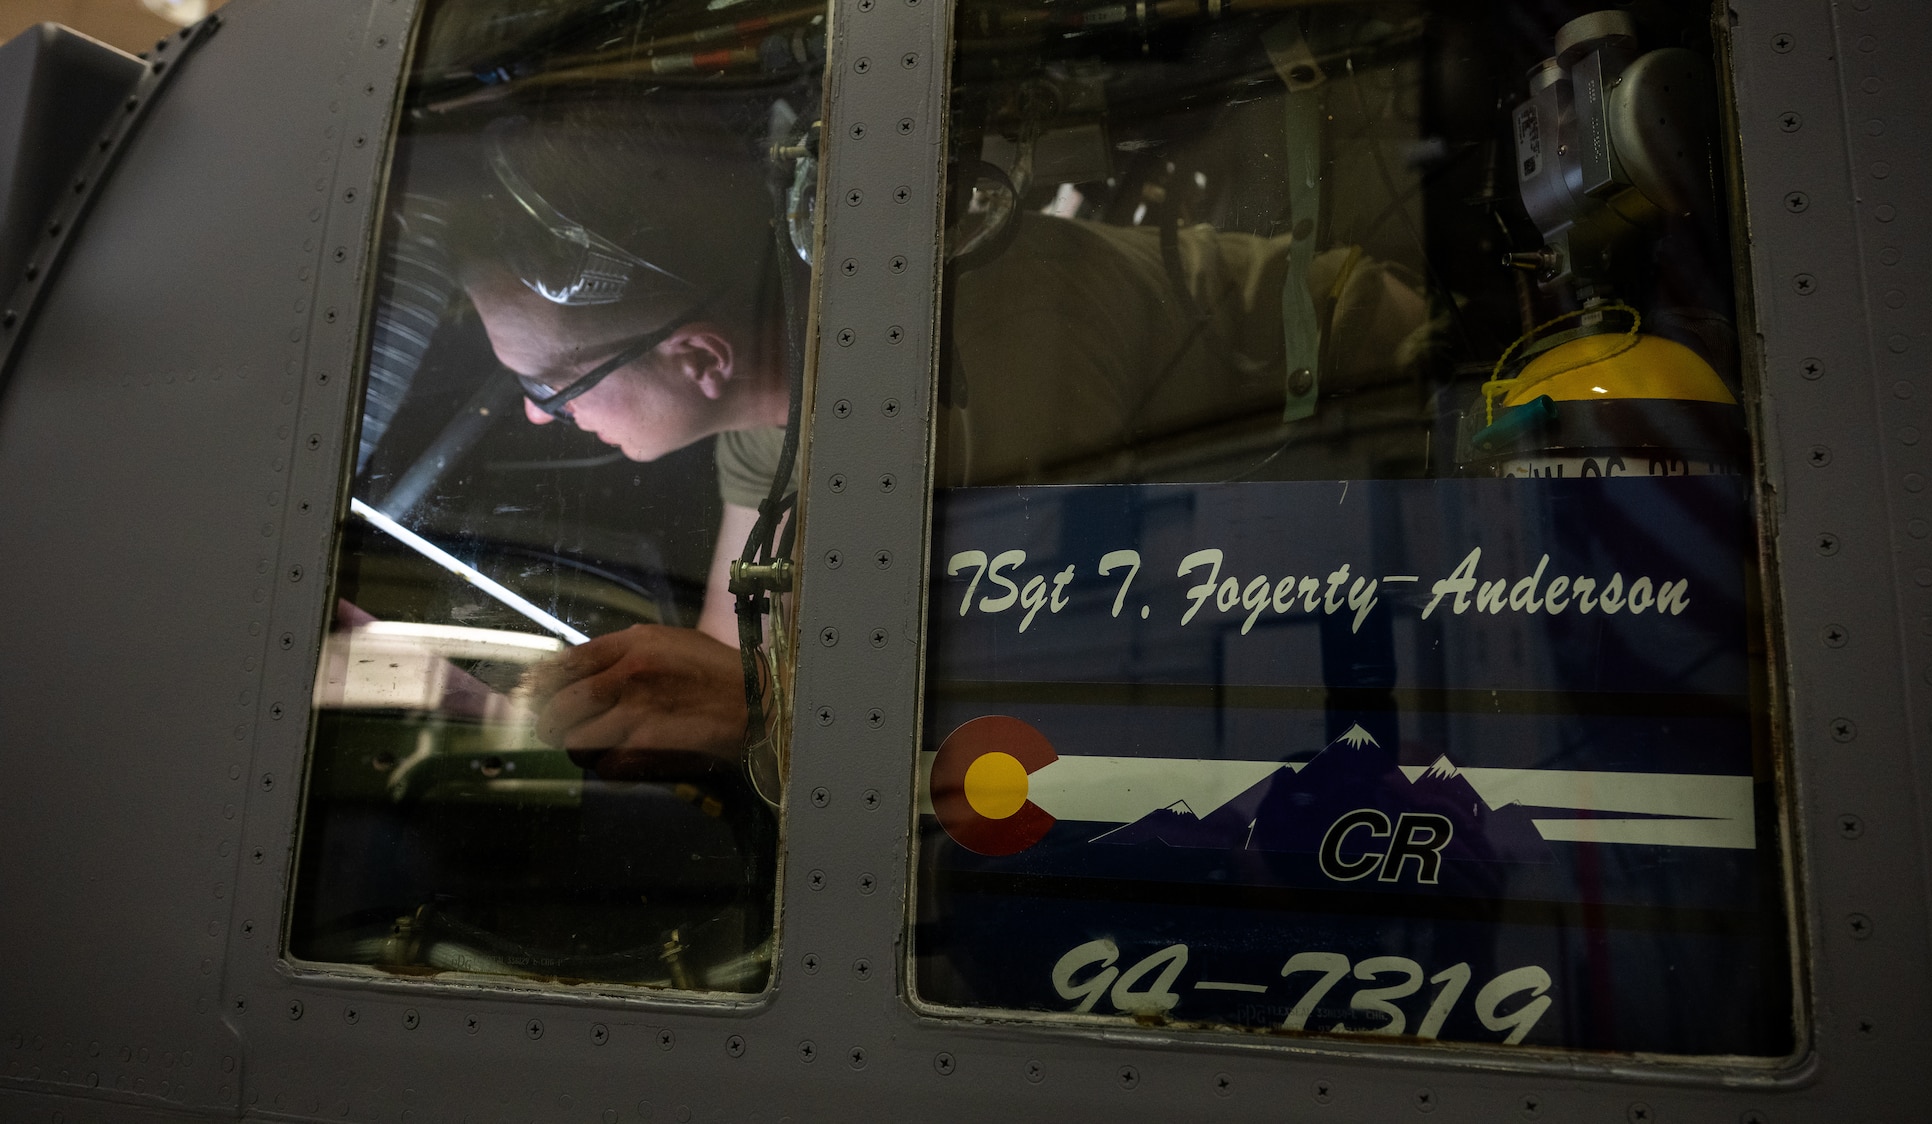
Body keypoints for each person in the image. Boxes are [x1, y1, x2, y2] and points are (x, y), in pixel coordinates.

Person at [456, 103, 1434, 785]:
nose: (539, 416)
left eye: (547, 385)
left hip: (1403, 482)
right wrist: (492, 702)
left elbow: (1065, 694)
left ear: (697, 356)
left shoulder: (972, 357)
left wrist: (756, 705)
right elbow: (735, 661)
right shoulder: (771, 398)